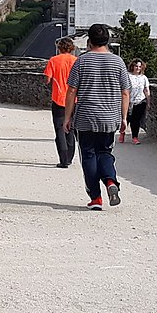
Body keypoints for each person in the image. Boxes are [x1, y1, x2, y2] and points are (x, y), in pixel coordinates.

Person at [63, 24, 130, 210]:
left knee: (89, 155)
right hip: (109, 117)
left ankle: (96, 198)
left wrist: (67, 117)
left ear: (89, 41)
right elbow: (125, 92)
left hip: (85, 116)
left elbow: (71, 91)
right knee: (105, 153)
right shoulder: (118, 62)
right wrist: (124, 118)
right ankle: (110, 181)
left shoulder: (81, 61)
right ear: (108, 40)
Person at [44, 38, 77, 168]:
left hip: (58, 98)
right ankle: (69, 157)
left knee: (59, 129)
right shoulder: (76, 61)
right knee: (71, 129)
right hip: (74, 99)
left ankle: (63, 159)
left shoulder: (54, 60)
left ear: (60, 47)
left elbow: (47, 79)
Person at [124, 59, 151, 144]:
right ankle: (122, 132)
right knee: (127, 118)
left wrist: (148, 102)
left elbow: (146, 90)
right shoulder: (127, 76)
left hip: (140, 101)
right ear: (132, 66)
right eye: (136, 66)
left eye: (139, 66)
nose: (138, 68)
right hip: (128, 101)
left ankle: (135, 137)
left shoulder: (144, 78)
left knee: (136, 120)